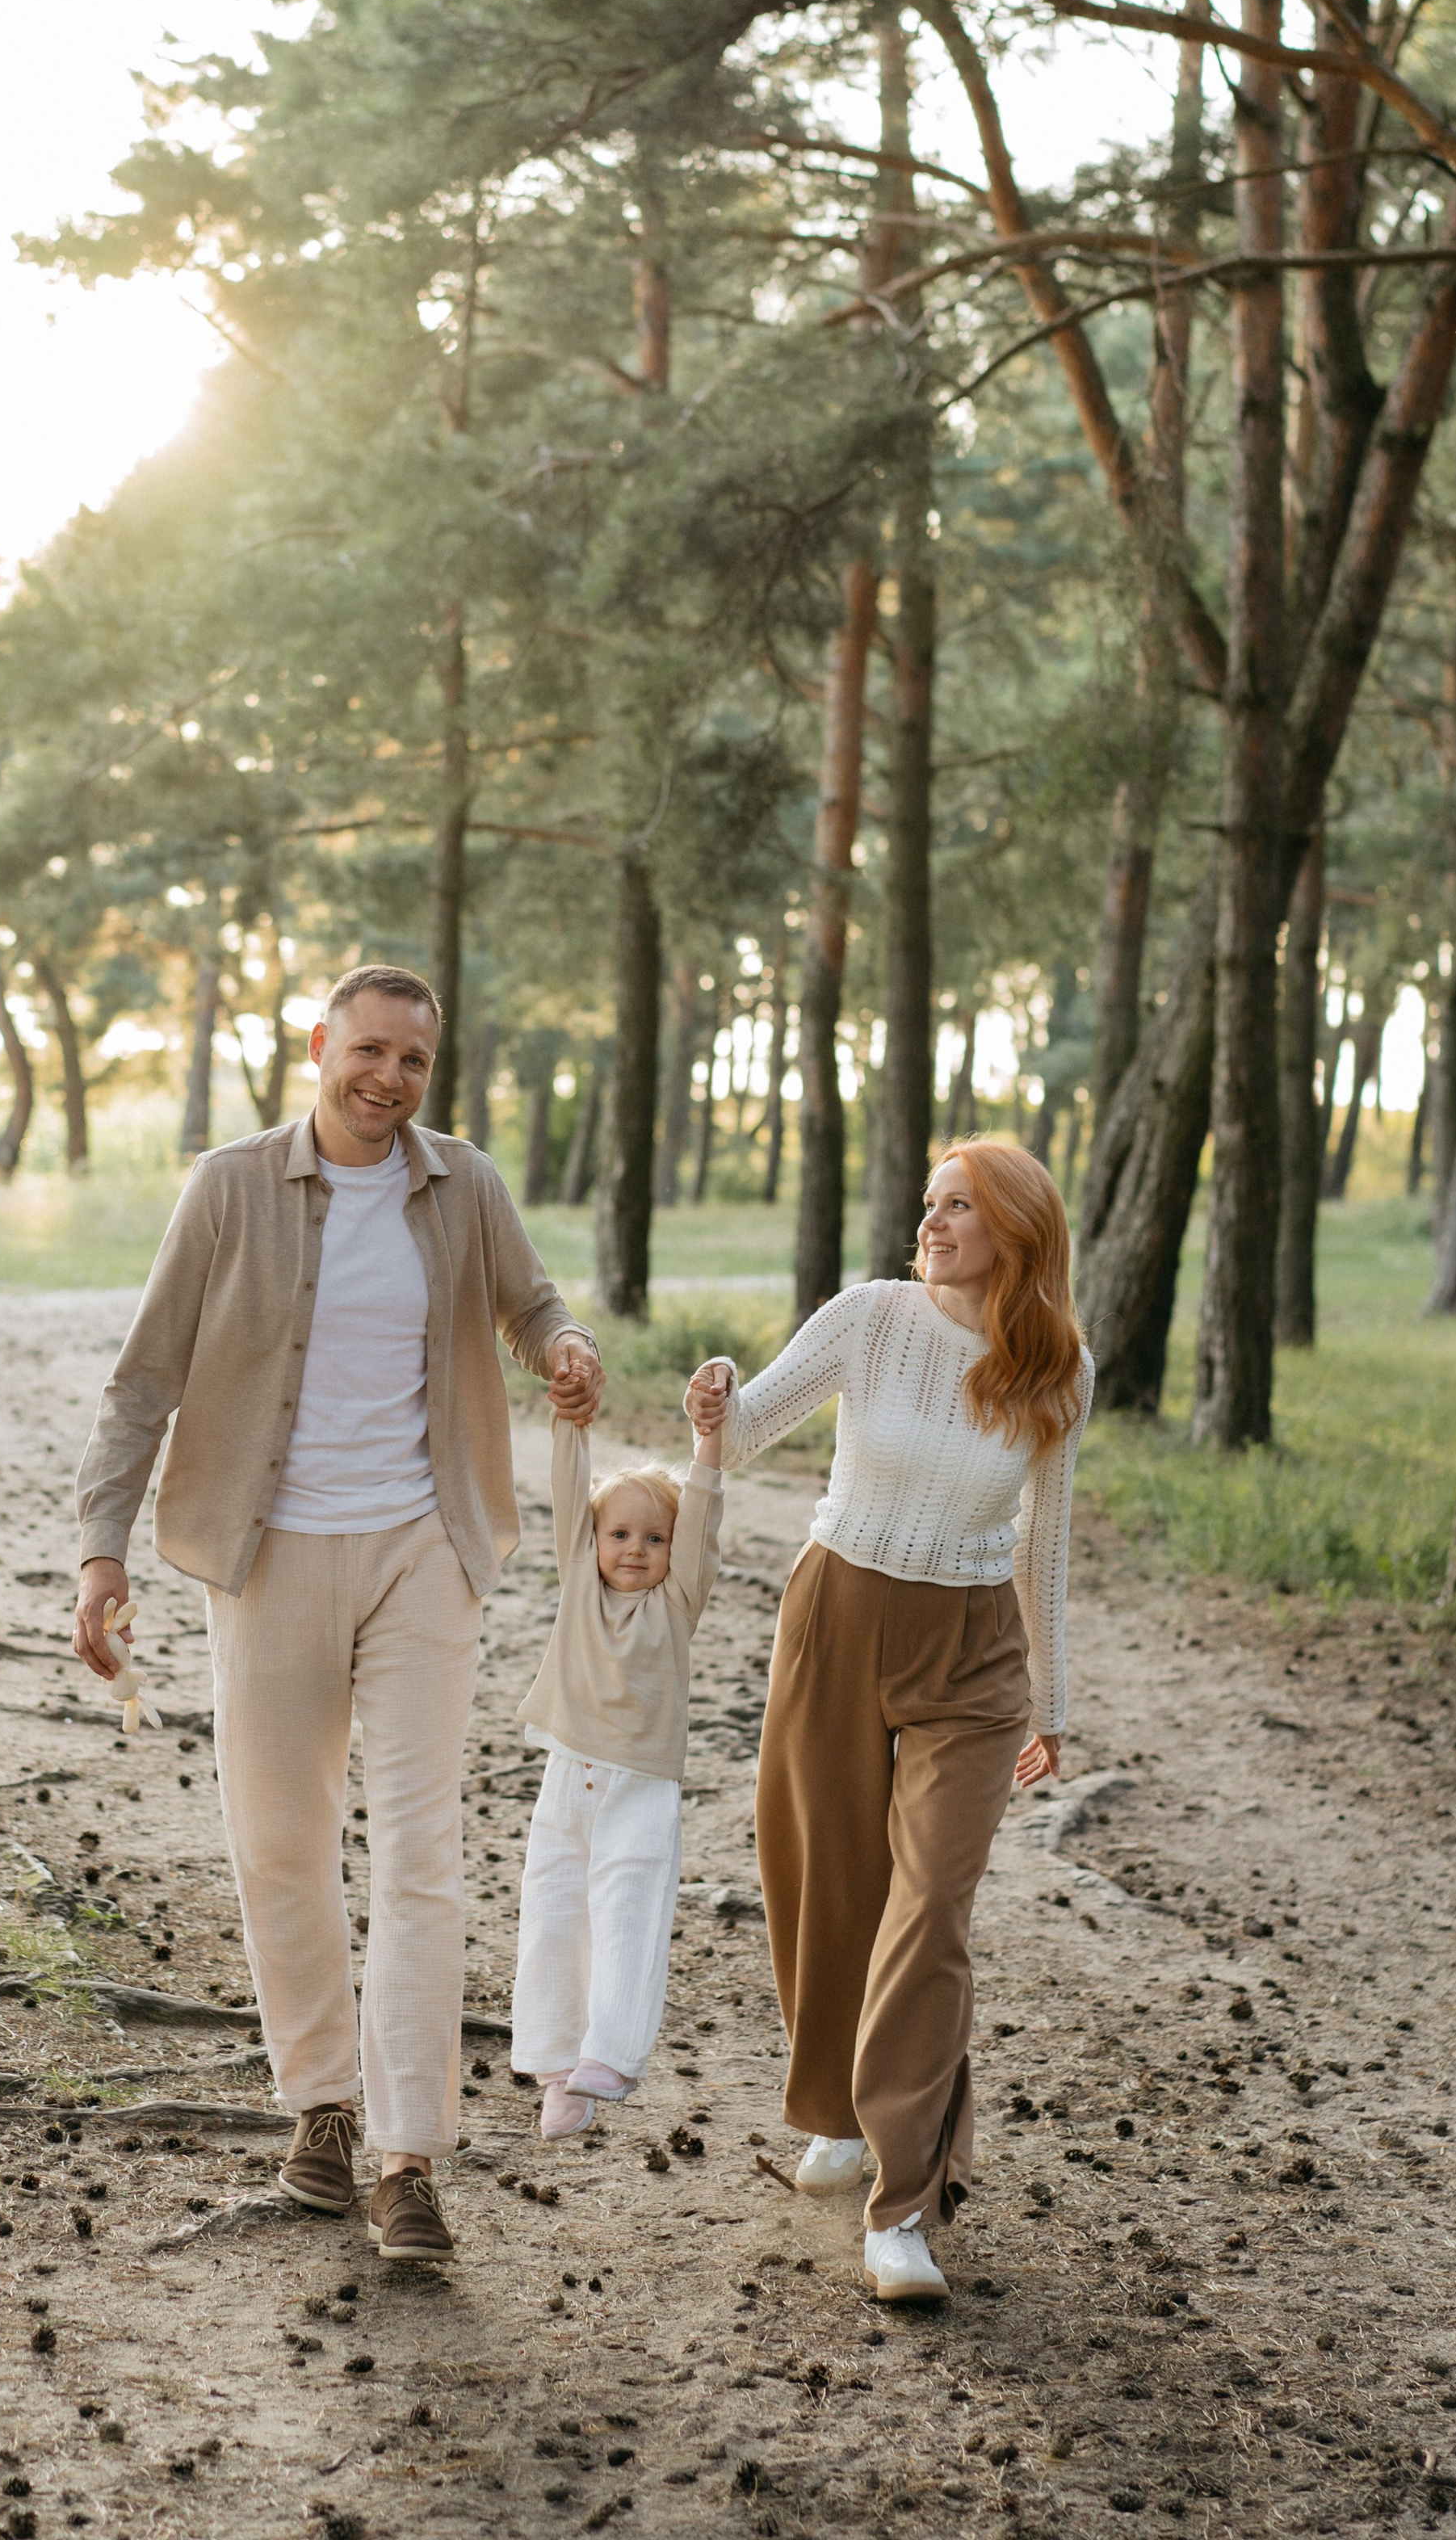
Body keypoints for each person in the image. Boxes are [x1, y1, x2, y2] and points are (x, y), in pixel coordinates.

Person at [69, 964, 602, 2264]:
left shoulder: (464, 1183)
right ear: (319, 1046)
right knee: (282, 1840)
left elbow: (529, 1302)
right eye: (369, 1051)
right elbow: (143, 1381)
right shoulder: (230, 1188)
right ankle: (320, 2106)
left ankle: (409, 2159)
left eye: (414, 1061)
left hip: (425, 1548)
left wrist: (565, 1348)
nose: (389, 1079)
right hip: (270, 1556)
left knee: (421, 1851)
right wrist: (100, 1553)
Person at [686, 1136, 1090, 2307]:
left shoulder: (1058, 1365)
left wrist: (1052, 1700)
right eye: (930, 1203)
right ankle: (838, 2111)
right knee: (826, 1877)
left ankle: (904, 2206)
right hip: (839, 1613)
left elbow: (1044, 1538)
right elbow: (745, 1428)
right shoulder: (869, 1317)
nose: (933, 1223)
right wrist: (714, 1395)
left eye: (960, 1206)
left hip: (972, 1649)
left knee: (932, 1910)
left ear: (1016, 1229)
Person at [508, 1402, 728, 2137]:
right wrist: (570, 1420)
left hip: (641, 1786)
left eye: (655, 1538)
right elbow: (568, 1492)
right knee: (554, 1912)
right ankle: (556, 2070)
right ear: (594, 1541)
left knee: (628, 1912)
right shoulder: (580, 1584)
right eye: (620, 1534)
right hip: (569, 1776)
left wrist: (708, 1441)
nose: (636, 1549)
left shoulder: (677, 1601)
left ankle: (610, 2055)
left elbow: (703, 1516)